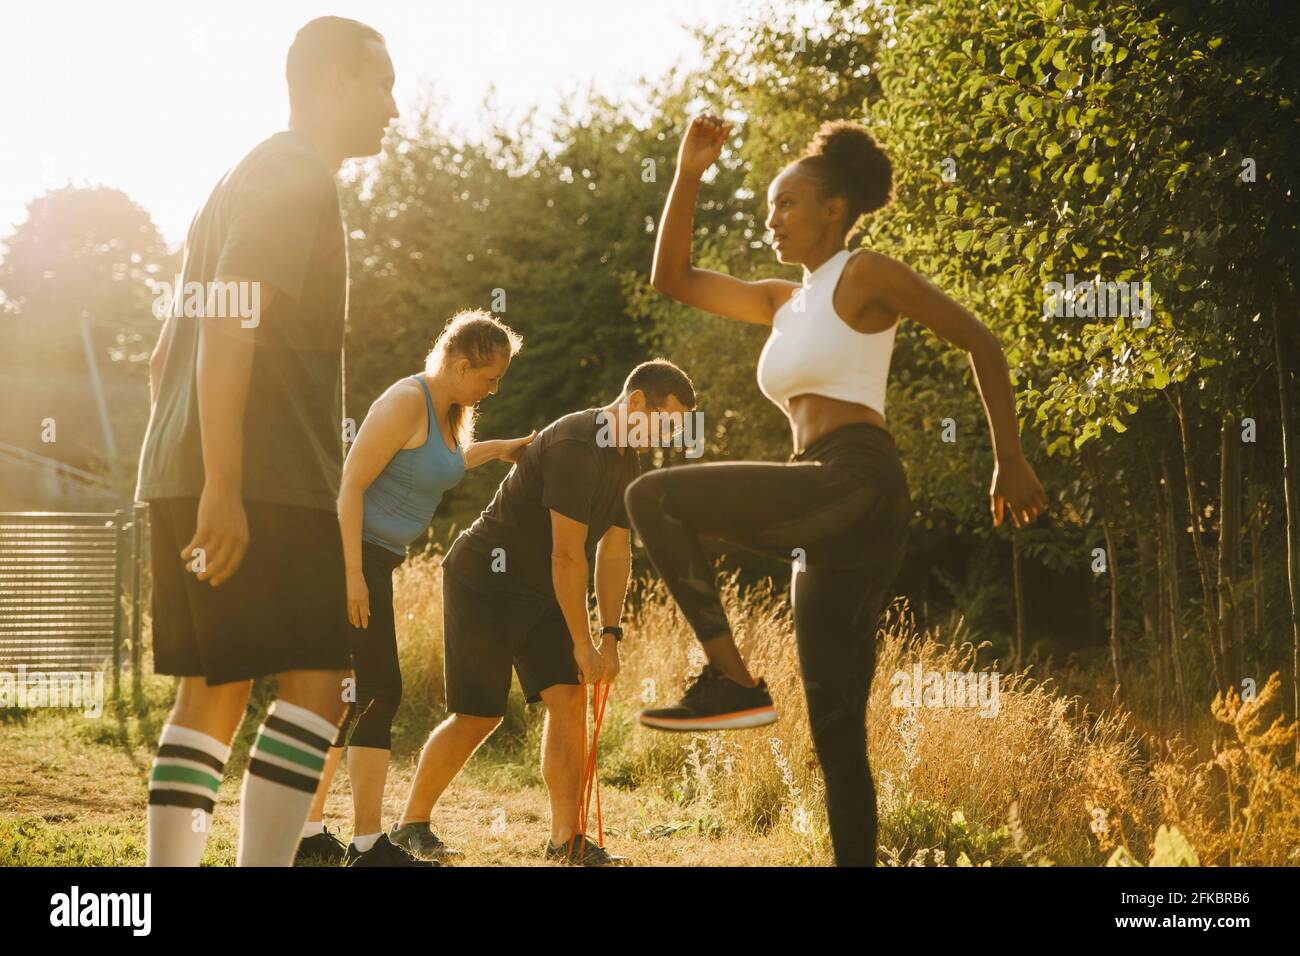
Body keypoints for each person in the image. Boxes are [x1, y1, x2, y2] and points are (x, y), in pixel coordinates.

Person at [625, 114, 1049, 866]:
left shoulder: (864, 273)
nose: (773, 218)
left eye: (787, 203)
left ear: (834, 208)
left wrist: (1007, 457)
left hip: (858, 480)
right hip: (817, 498)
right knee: (836, 729)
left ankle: (730, 680)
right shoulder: (780, 302)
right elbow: (673, 280)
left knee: (655, 498)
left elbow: (981, 339)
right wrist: (688, 173)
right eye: (767, 207)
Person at [136, 16, 398, 867]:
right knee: (318, 685)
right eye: (382, 84)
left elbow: (162, 355)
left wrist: (197, 473)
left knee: (211, 693)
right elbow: (225, 324)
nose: (394, 105)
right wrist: (226, 483)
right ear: (333, 82)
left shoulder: (235, 178)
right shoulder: (295, 173)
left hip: (188, 468)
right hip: (261, 481)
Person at [391, 360, 696, 866]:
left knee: (569, 699)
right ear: (636, 402)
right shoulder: (578, 444)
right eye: (667, 422)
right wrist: (582, 641)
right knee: (478, 716)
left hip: (542, 590)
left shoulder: (627, 460)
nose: (668, 435)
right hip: (484, 580)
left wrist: (611, 637)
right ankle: (411, 825)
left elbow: (616, 553)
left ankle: (565, 841)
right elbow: (567, 555)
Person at [295, 310, 535, 867]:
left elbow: (443, 467)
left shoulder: (453, 414)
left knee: (348, 697)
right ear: (458, 362)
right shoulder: (406, 401)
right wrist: (353, 575)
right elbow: (349, 487)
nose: (493, 388)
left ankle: (308, 837)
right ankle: (366, 844)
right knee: (378, 691)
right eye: (489, 376)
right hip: (347, 558)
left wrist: (499, 448)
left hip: (375, 562)